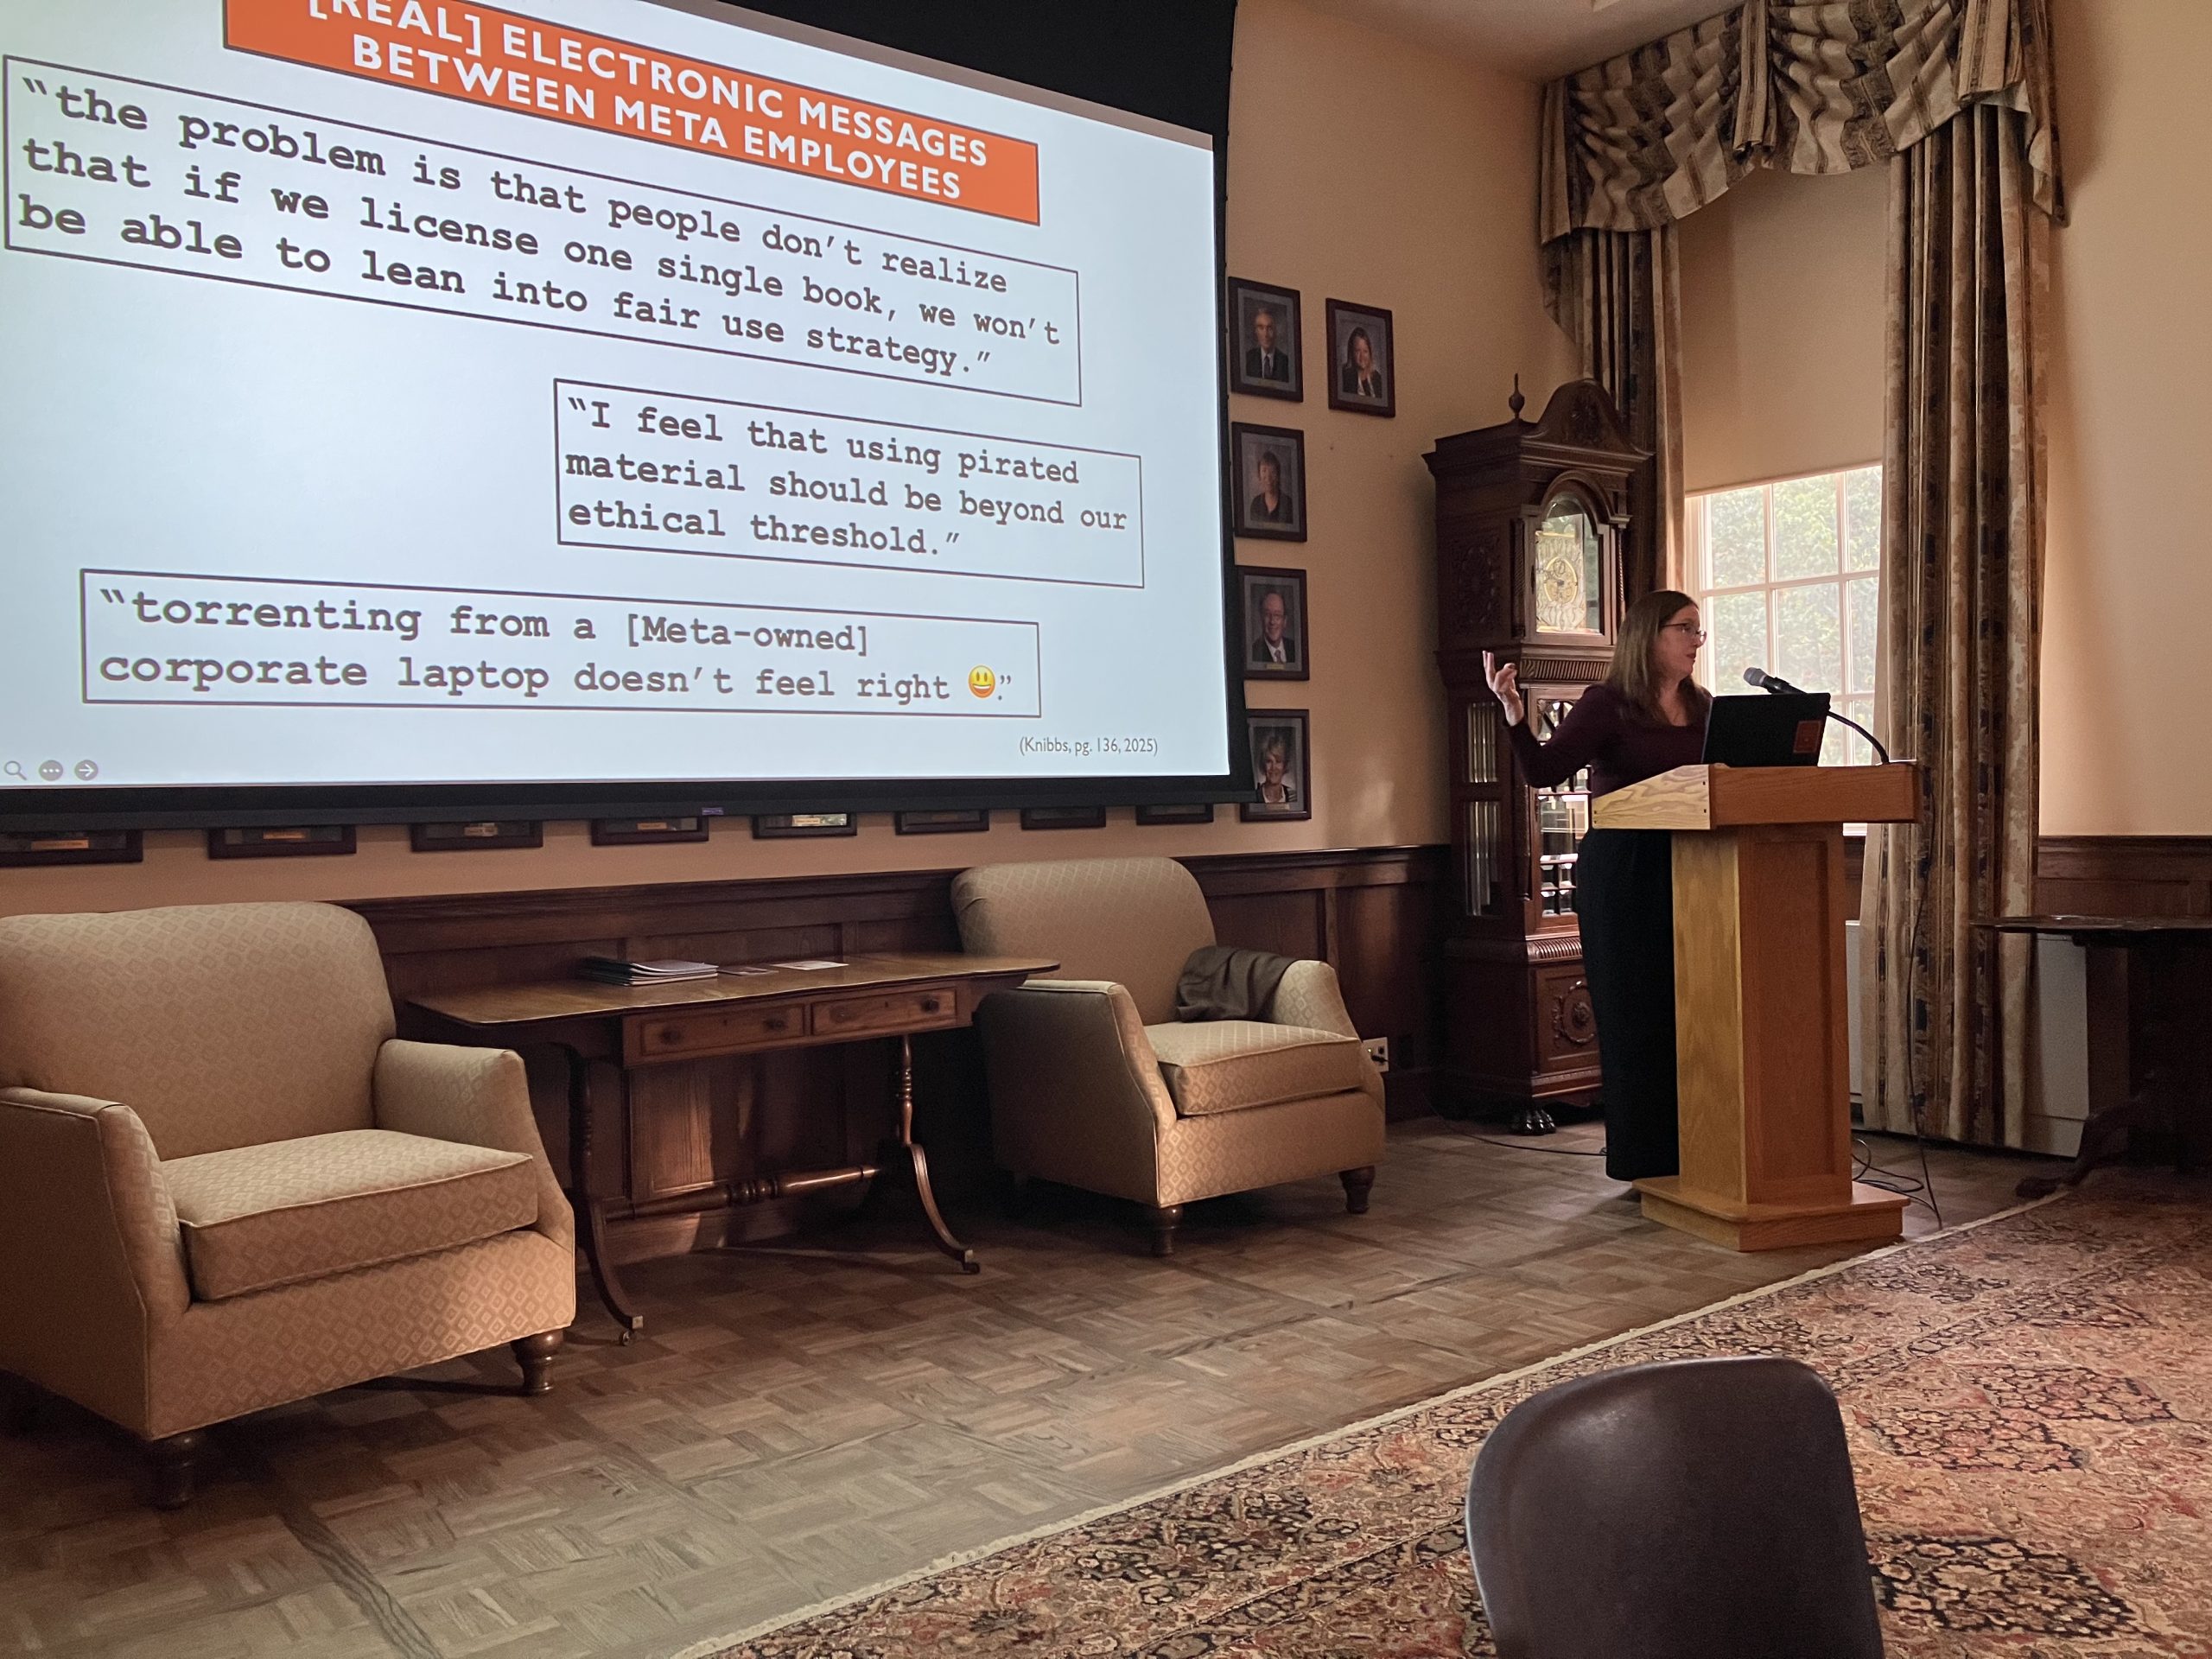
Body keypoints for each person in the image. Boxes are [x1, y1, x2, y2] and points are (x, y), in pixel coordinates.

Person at [1484, 589, 1710, 1183]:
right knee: (1635, 1013)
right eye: (1685, 629)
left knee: (1693, 1012)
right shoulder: (1607, 705)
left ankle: (1703, 1150)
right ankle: (1645, 1160)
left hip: (1698, 869)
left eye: (1698, 631)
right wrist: (1511, 710)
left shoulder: (1705, 705)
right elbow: (1542, 771)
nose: (1696, 641)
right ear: (1649, 636)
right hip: (1626, 872)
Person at [1243, 303, 1290, 383]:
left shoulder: (1286, 362)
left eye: (1270, 328)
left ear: (1275, 331)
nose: (1266, 334)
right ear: (1256, 331)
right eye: (1261, 328)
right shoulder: (1247, 359)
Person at [1252, 588, 1296, 665]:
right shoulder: (1254, 652)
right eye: (1267, 615)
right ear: (1261, 619)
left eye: (1277, 615)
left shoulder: (1295, 649)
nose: (1272, 621)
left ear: (1285, 621)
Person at [1339, 327, 1385, 400]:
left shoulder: (1378, 379)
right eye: (1358, 351)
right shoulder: (1344, 378)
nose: (1362, 356)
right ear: (1351, 353)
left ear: (1370, 353)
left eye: (1365, 351)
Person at [1248, 449, 1292, 524]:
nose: (1268, 477)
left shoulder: (1289, 504)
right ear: (1259, 476)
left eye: (1272, 472)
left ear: (1278, 476)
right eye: (1264, 471)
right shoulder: (1255, 504)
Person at [1254, 732, 1298, 804]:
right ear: (1263, 764)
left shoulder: (1293, 797)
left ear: (1285, 764)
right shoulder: (1254, 797)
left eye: (1278, 761)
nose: (1273, 767)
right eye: (1269, 761)